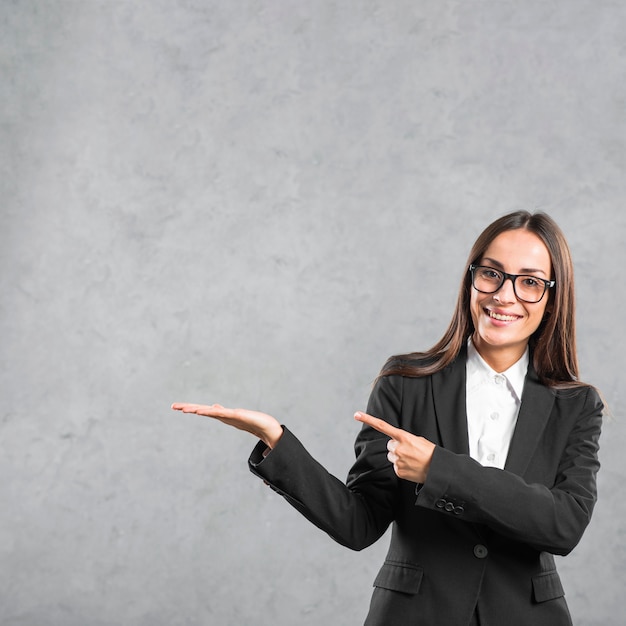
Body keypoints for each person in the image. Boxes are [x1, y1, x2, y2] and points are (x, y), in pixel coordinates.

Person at [172, 211, 603, 626]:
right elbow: (358, 523)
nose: (504, 295)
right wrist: (277, 442)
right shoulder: (405, 381)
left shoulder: (577, 405)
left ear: (551, 298)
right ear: (471, 280)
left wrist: (439, 469)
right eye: (491, 273)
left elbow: (564, 525)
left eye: (529, 282)